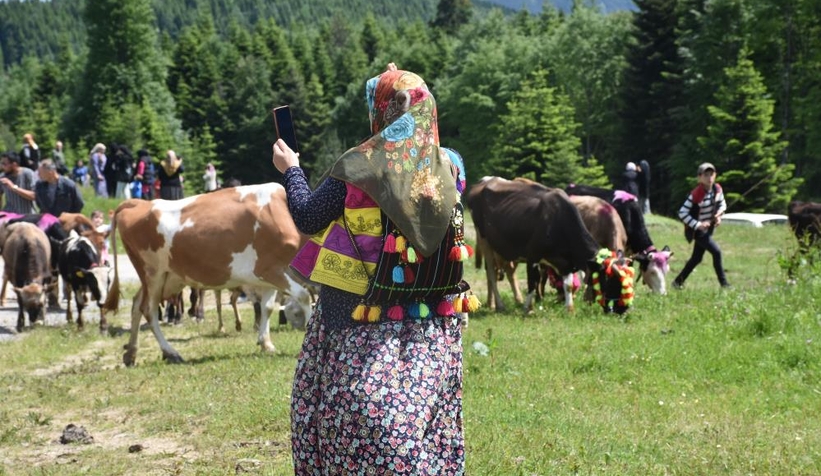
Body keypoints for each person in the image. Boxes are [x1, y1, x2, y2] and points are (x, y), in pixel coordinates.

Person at [274, 63, 473, 475]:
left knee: (353, 420)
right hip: (430, 315)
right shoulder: (452, 166)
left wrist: (291, 169)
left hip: (356, 312)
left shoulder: (359, 166)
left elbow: (309, 216)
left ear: (380, 111)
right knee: (423, 416)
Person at [673, 162, 730, 289]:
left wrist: (719, 215)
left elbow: (722, 204)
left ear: (715, 176)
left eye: (711, 174)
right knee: (717, 252)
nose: (709, 178)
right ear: (699, 178)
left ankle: (677, 282)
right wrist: (697, 224)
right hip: (698, 231)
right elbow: (682, 213)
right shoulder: (695, 194)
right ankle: (724, 284)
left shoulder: (717, 189)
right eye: (705, 175)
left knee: (696, 258)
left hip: (709, 229)